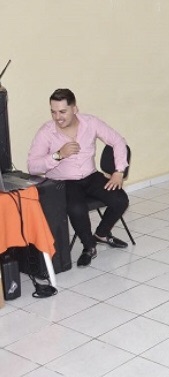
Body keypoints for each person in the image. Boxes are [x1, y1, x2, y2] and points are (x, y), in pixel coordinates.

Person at [28, 88, 129, 268]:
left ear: (74, 109)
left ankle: (101, 234)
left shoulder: (90, 122)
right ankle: (89, 247)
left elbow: (118, 141)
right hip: (63, 181)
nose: (57, 117)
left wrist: (119, 171)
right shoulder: (46, 132)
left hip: (90, 176)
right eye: (53, 112)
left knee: (120, 199)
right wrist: (58, 155)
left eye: (62, 112)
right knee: (76, 208)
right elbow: (32, 166)